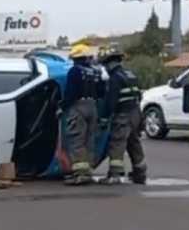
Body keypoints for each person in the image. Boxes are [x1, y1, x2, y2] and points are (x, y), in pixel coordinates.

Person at [99, 47, 147, 185]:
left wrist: (104, 117)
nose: (105, 68)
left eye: (105, 65)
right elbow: (139, 95)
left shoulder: (115, 78)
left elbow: (111, 101)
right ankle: (140, 173)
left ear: (110, 63)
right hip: (136, 113)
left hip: (123, 115)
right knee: (134, 143)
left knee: (117, 143)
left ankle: (115, 175)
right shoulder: (131, 75)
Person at [61, 44, 104, 186]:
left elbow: (70, 93)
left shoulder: (74, 71)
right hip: (93, 107)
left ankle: (80, 174)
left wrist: (61, 107)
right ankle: (87, 171)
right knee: (89, 140)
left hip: (78, 106)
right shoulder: (95, 72)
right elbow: (102, 91)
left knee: (76, 140)